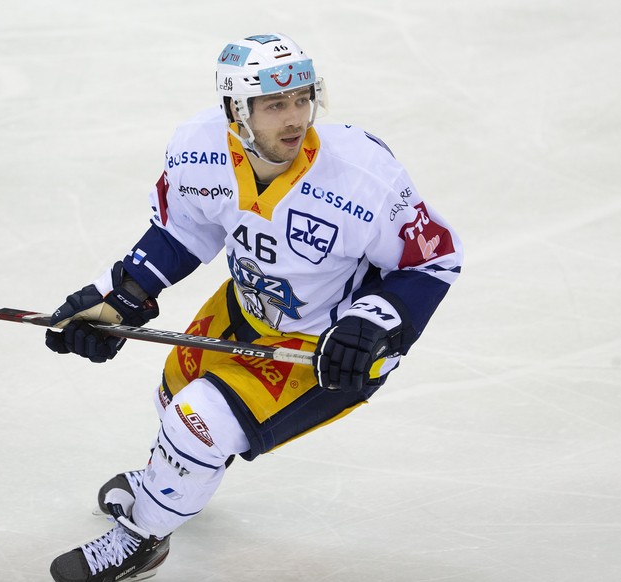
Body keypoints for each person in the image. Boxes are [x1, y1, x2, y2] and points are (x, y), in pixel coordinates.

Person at [44, 33, 463, 582]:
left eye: (301, 99)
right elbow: (183, 230)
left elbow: (432, 260)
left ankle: (142, 538)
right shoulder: (198, 147)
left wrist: (371, 325)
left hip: (326, 347)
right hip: (245, 310)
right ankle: (167, 485)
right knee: (173, 395)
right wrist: (120, 296)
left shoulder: (363, 175)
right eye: (274, 105)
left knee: (197, 424)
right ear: (234, 111)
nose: (295, 119)